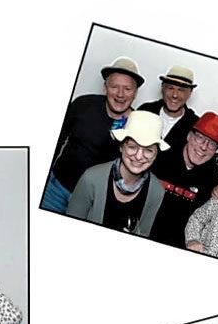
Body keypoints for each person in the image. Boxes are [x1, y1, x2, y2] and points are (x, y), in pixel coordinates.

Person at [41, 57, 145, 213]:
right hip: (55, 190)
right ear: (105, 88)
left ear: (135, 93)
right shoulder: (82, 105)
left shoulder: (138, 125)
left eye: (127, 89)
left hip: (93, 201)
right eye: (114, 86)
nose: (120, 94)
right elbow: (56, 141)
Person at [65, 110, 169, 233]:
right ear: (121, 146)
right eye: (132, 147)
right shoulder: (91, 179)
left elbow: (144, 234)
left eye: (148, 150)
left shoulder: (157, 191)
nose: (139, 156)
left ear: (156, 154)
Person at [143, 112, 218, 248]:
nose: (204, 147)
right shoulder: (161, 158)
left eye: (212, 144)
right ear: (189, 136)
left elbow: (201, 222)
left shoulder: (212, 177)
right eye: (200, 138)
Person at [137, 66, 200, 150]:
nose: (175, 95)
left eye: (181, 90)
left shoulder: (195, 125)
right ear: (162, 87)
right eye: (170, 88)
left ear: (190, 92)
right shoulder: (145, 111)